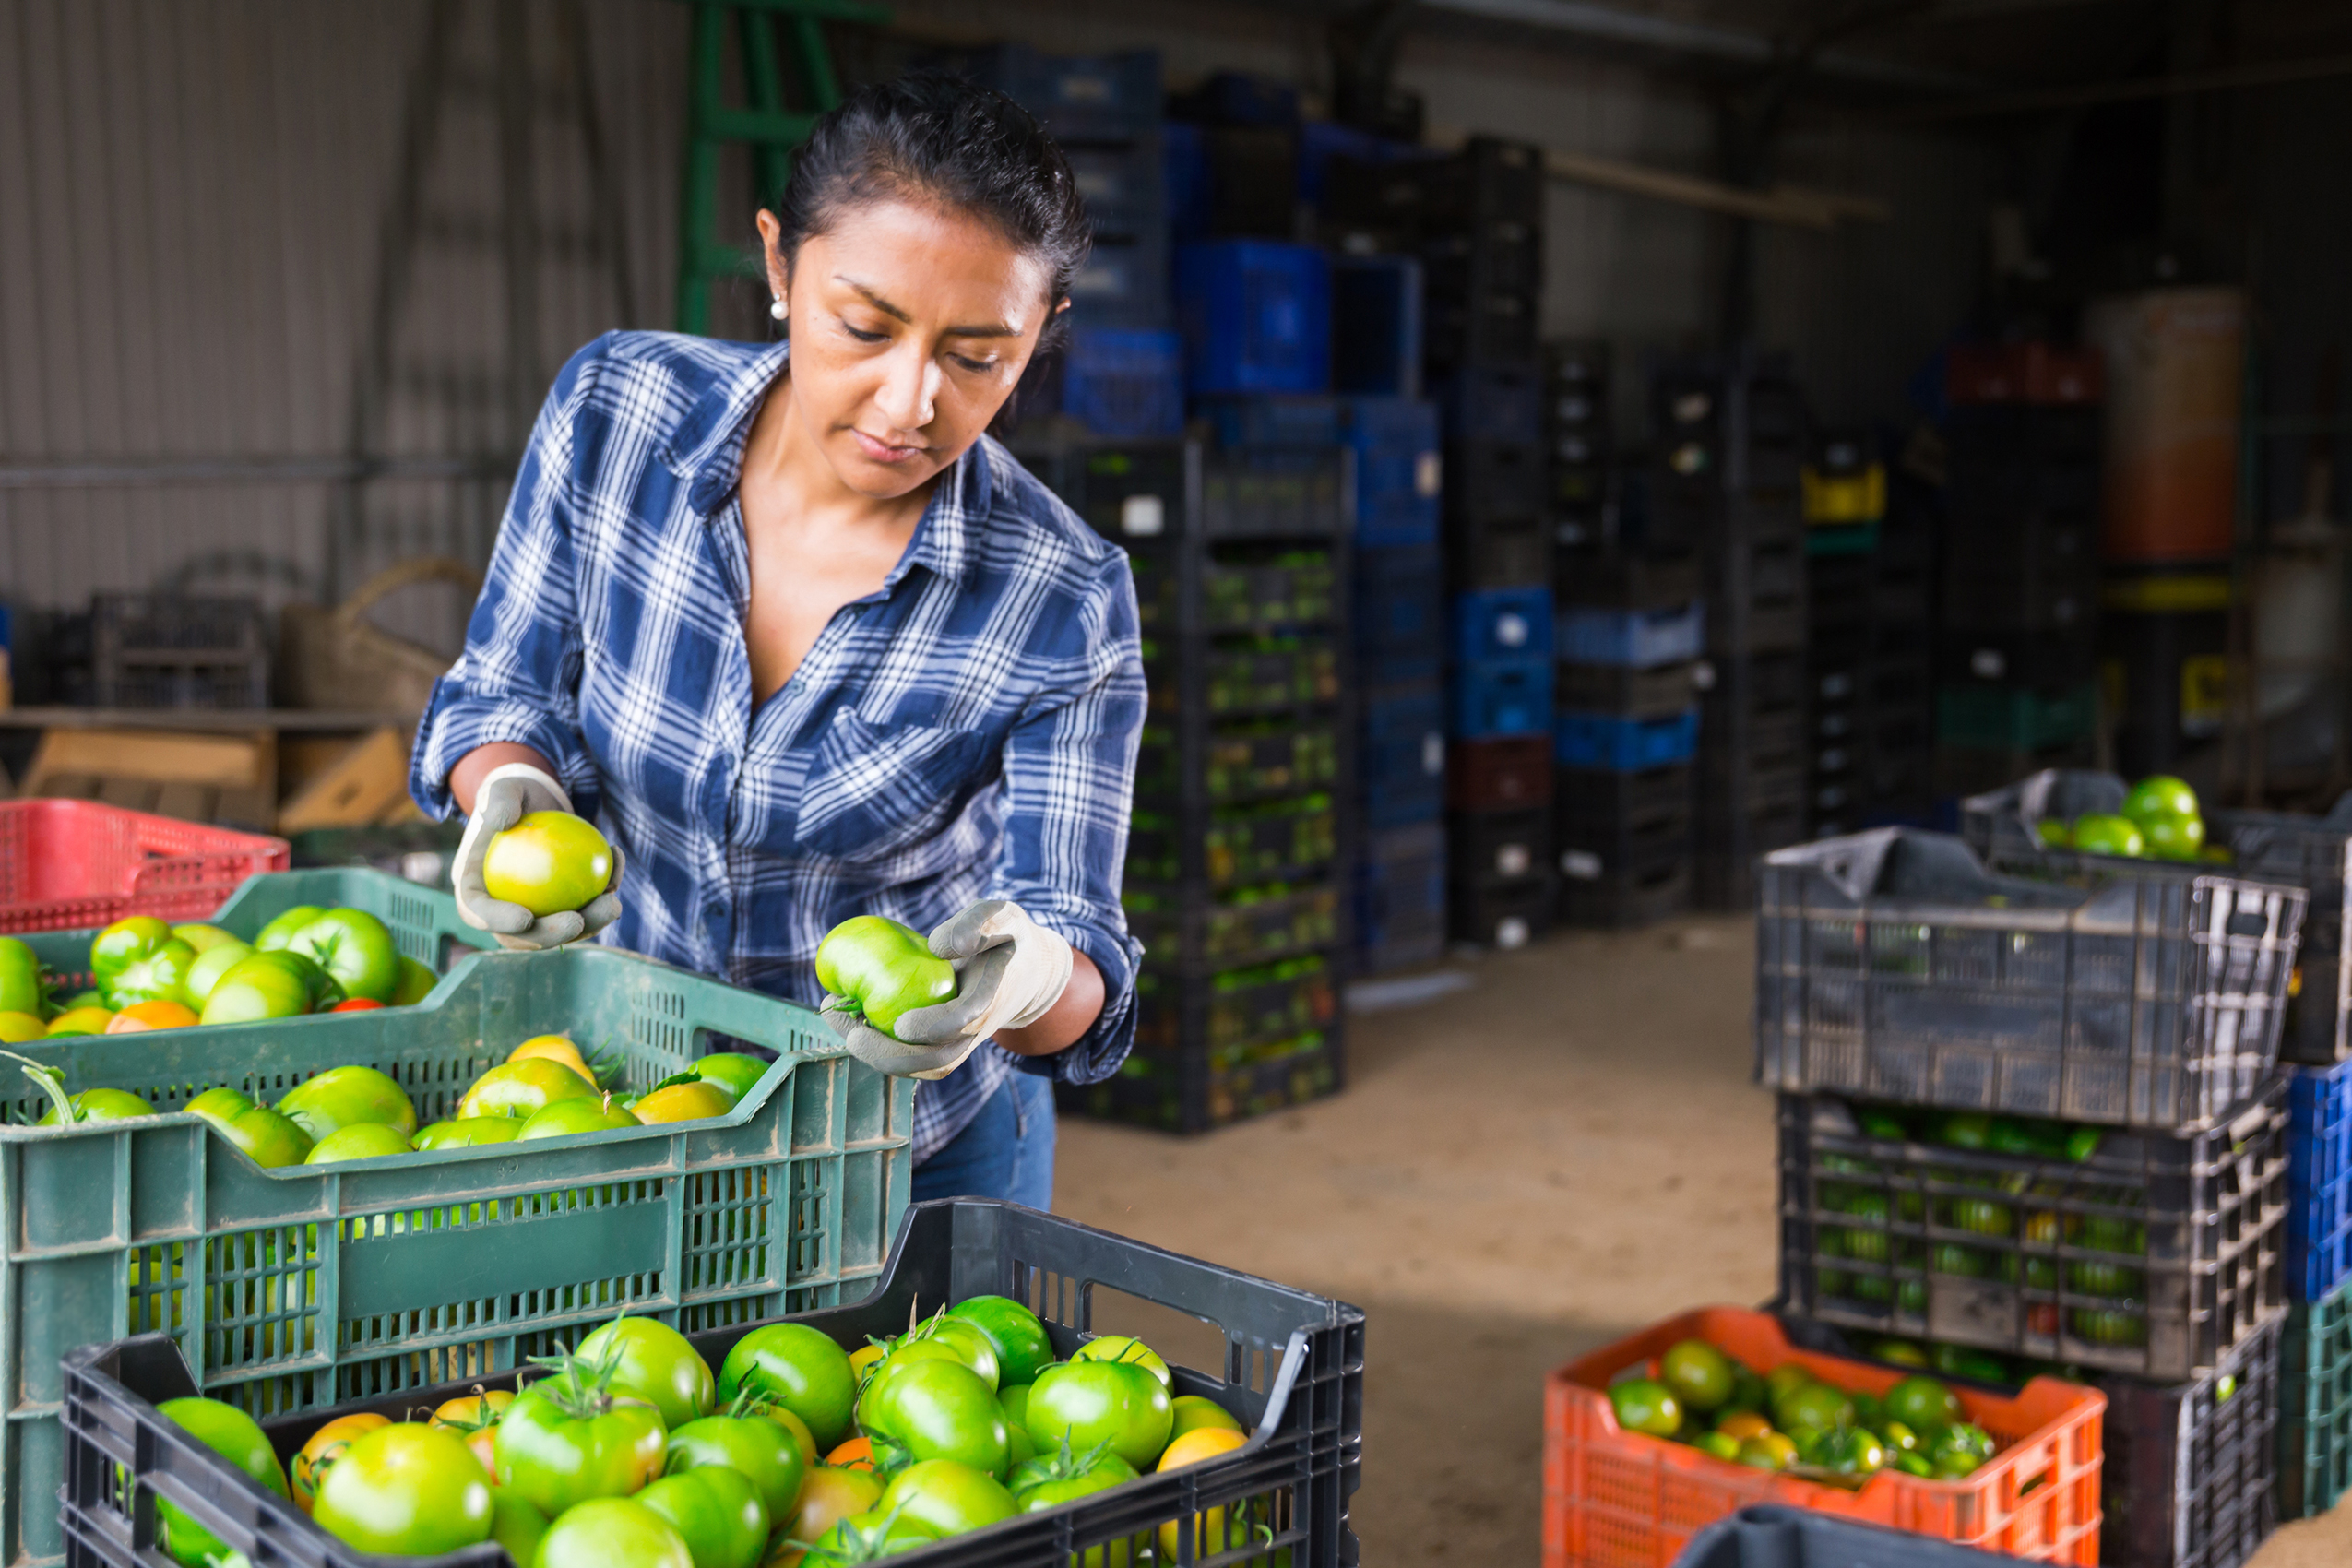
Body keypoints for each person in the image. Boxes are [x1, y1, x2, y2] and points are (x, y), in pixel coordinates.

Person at [407, 73, 1146, 1212]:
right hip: (632, 1096)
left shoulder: (1061, 596)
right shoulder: (617, 413)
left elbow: (1082, 953)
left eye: (976, 356)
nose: (908, 403)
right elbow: (502, 690)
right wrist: (508, 788)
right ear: (778, 265)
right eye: (865, 326)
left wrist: (1020, 977)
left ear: (1040, 332)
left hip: (908, 1149)